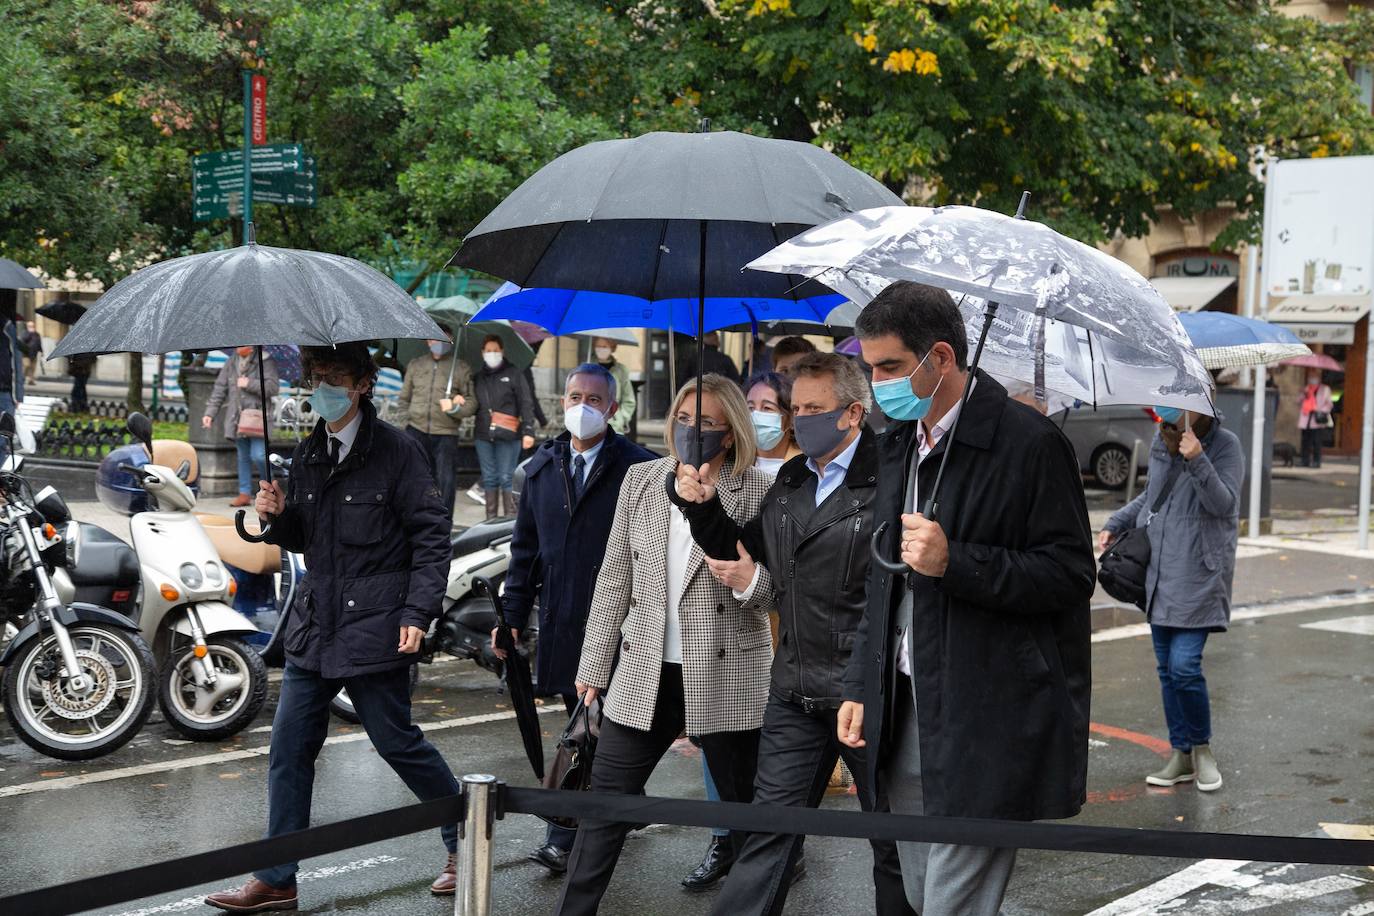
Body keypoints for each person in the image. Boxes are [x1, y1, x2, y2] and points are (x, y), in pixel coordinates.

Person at [836, 281, 1095, 916]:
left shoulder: (1029, 444)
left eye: (891, 367)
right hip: (902, 710)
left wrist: (958, 562)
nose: (877, 384)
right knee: (925, 895)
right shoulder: (896, 440)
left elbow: (1069, 573)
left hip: (986, 709)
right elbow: (882, 578)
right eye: (870, 369)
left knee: (952, 905)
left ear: (943, 358)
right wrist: (860, 683)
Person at [205, 343, 458, 913]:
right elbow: (307, 537)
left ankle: (463, 836)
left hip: (376, 624)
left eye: (335, 377)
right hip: (316, 624)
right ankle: (276, 878)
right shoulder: (309, 451)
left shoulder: (398, 452)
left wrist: (418, 614)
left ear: (364, 383)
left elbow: (430, 539)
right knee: (289, 748)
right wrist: (275, 519)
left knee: (397, 743)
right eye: (316, 377)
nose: (323, 387)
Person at [673, 352, 912, 916]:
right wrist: (701, 508)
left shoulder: (894, 481)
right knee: (769, 832)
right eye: (795, 407)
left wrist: (865, 684)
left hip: (865, 693)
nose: (800, 419)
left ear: (853, 414)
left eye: (814, 408)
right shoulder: (793, 476)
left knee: (891, 841)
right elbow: (748, 548)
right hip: (795, 689)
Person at [555, 374, 774, 916]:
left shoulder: (761, 489)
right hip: (645, 671)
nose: (689, 431)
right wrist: (593, 666)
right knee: (604, 808)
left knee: (747, 818)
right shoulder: (641, 481)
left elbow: (768, 592)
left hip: (728, 673)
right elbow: (615, 580)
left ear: (729, 434)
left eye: (704, 424)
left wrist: (736, 561)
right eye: (681, 419)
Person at [494, 363, 656, 875]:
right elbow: (526, 553)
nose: (581, 406)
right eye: (573, 396)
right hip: (565, 619)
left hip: (624, 624)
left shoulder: (640, 469)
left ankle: (566, 833)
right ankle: (613, 808)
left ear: (612, 407)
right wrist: (512, 615)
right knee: (584, 723)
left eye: (593, 398)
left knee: (591, 731)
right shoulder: (542, 469)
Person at [1100, 408, 1242, 792]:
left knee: (1184, 667)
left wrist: (1198, 458)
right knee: (1166, 669)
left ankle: (1202, 748)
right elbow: (1152, 497)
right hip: (1160, 571)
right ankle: (1180, 754)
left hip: (1199, 571)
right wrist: (1117, 522)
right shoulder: (1162, 438)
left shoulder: (1225, 445)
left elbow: (1224, 504)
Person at [397, 336, 477, 523]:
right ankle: (415, 520)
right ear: (428, 341)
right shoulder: (416, 365)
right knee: (415, 479)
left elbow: (471, 403)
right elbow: (403, 399)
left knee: (446, 482)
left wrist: (455, 409)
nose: (438, 344)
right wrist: (405, 424)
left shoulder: (461, 368)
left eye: (444, 339)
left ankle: (443, 524)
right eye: (434, 339)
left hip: (446, 434)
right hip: (416, 430)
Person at [203, 347, 280, 508]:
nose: (238, 347)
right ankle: (244, 493)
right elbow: (220, 389)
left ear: (252, 345)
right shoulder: (232, 361)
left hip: (258, 419)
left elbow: (273, 388)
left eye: (242, 344)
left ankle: (271, 490)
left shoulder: (265, 360)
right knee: (243, 456)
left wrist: (249, 383)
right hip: (236, 418)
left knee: (259, 455)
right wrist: (210, 413)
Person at [473, 335, 537, 518]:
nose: (492, 354)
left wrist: (528, 430)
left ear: (502, 351)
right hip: (483, 435)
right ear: (482, 353)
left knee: (507, 477)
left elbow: (526, 402)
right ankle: (490, 522)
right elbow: (472, 403)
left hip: (509, 435)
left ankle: (509, 525)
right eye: (488, 350)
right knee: (489, 478)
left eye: (495, 350)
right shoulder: (478, 377)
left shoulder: (514, 373)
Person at [746, 370, 802, 477]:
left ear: (791, 418)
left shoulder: (806, 468)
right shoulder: (735, 465)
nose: (756, 415)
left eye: (767, 408)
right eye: (750, 408)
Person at [592, 336, 637, 435]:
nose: (601, 349)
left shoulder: (621, 370)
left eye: (604, 346)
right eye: (598, 346)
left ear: (612, 348)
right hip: (591, 421)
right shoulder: (587, 367)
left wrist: (621, 418)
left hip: (615, 424)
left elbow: (629, 399)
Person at [1297, 370, 1335, 468]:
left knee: (1316, 441)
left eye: (1314, 377)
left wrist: (1320, 410)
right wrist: (1302, 394)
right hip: (1306, 418)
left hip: (1317, 418)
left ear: (1318, 378)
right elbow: (1299, 401)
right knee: (1305, 441)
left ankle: (1316, 461)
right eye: (1310, 377)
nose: (1312, 379)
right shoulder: (1306, 388)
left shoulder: (1325, 389)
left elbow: (1329, 404)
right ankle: (1305, 460)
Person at [677, 331, 742, 387]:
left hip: (696, 396)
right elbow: (736, 382)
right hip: (719, 397)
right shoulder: (725, 359)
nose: (718, 338)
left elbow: (683, 382)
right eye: (716, 336)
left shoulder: (694, 358)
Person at [0, 317, 25, 418]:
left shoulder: (8, 329)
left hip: (6, 394)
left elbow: (17, 363)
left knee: (6, 432)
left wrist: (18, 395)